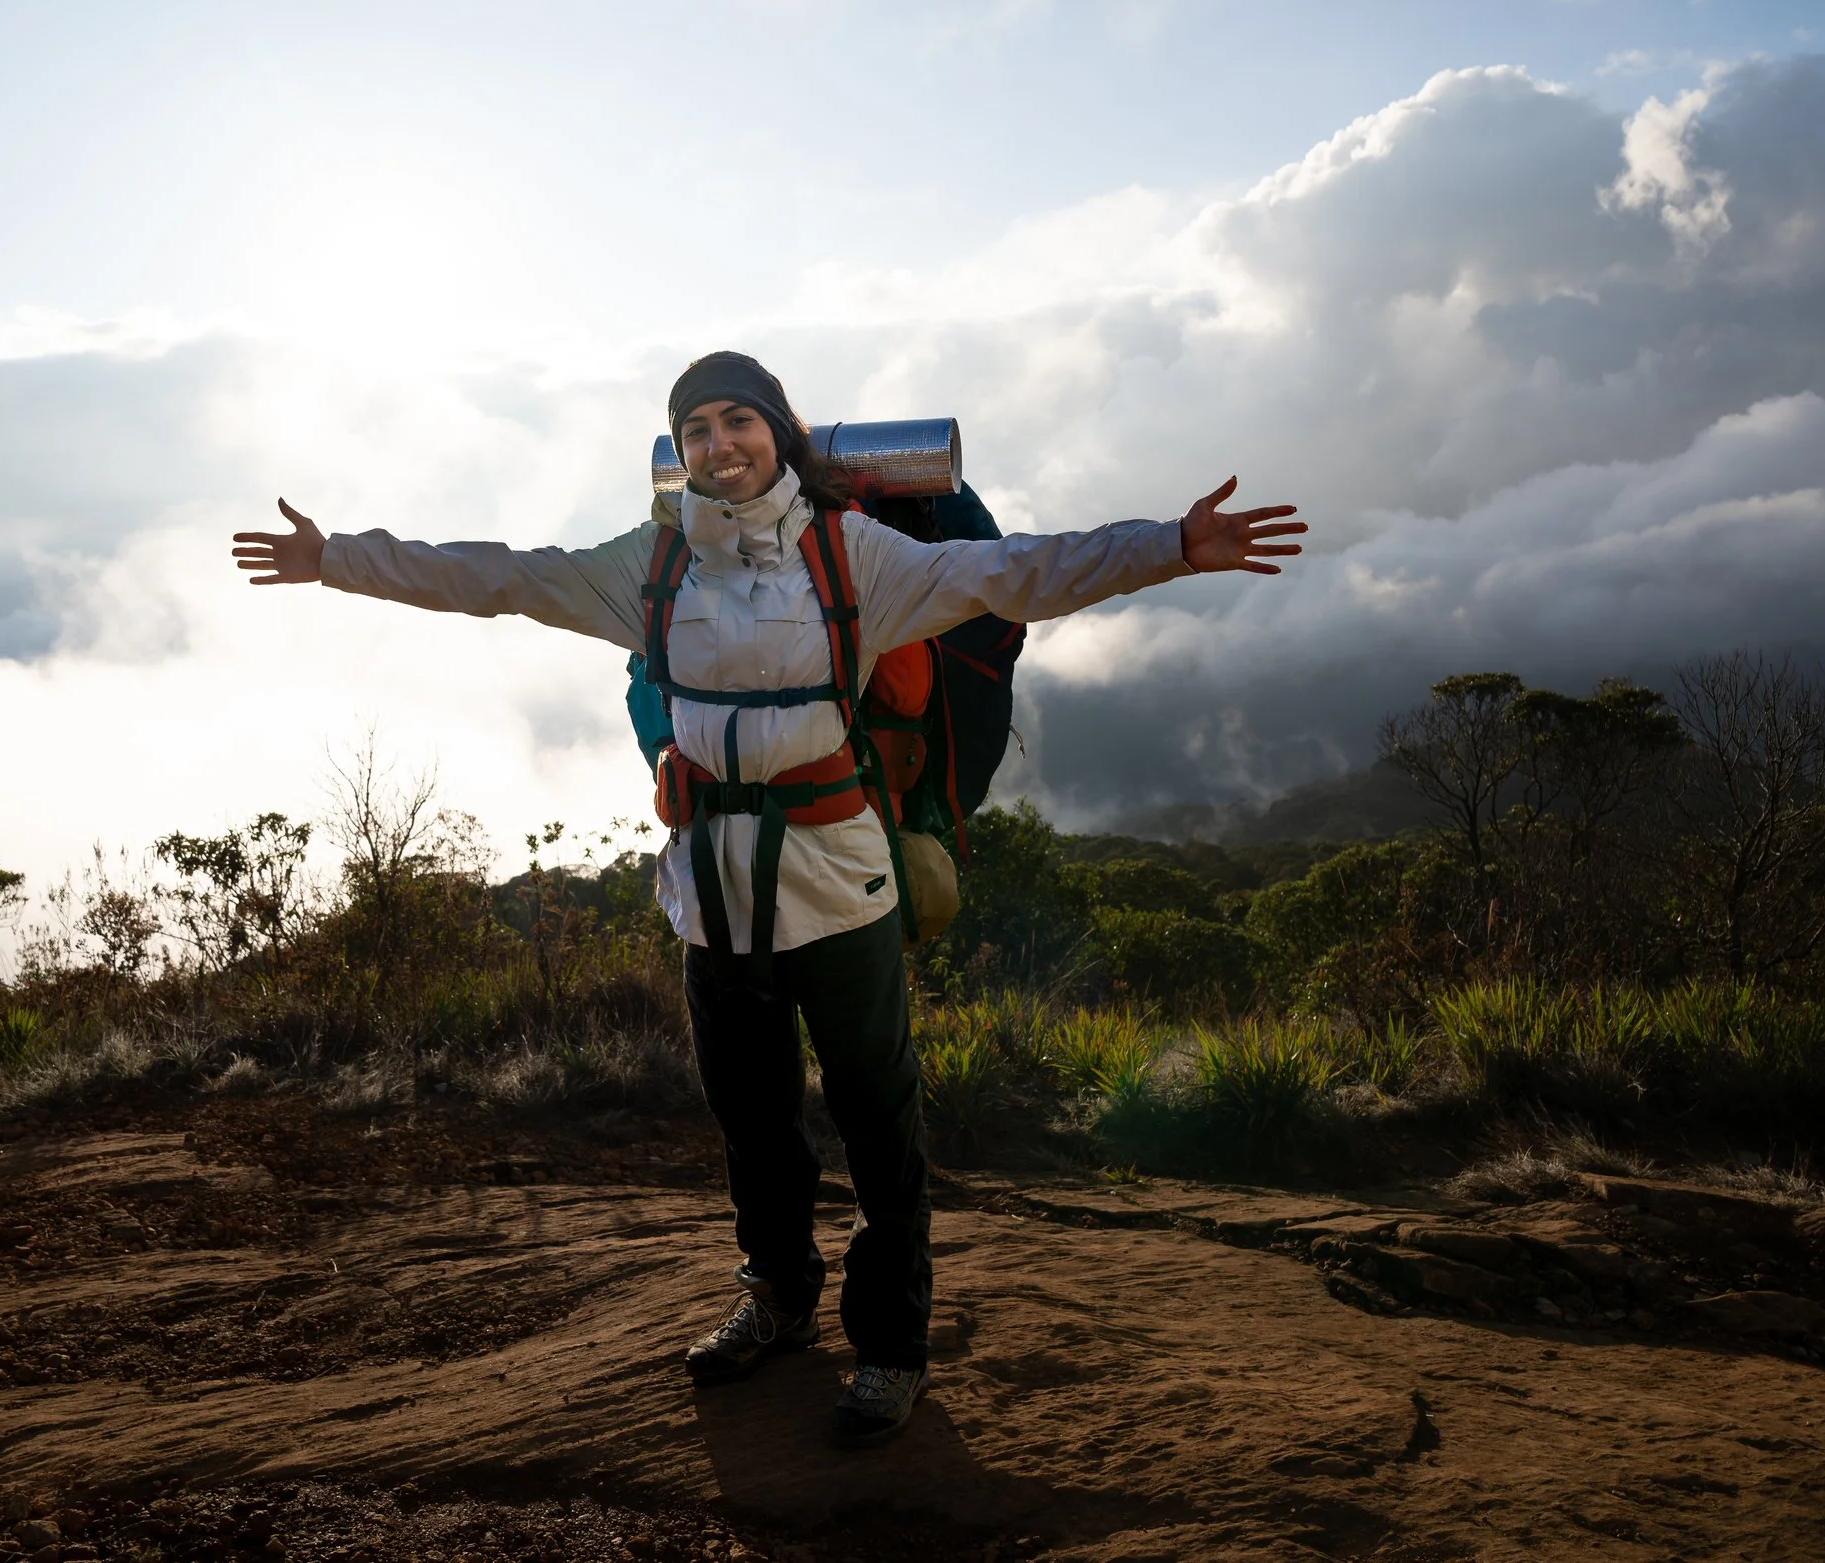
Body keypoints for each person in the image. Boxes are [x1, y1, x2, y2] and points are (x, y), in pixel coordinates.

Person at [231, 351, 1305, 1446]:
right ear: (678, 451)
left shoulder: (857, 558)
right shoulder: (647, 566)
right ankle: (778, 1294)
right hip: (711, 887)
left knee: (875, 1116)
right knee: (750, 1112)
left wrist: (1171, 547)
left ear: (779, 434)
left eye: (737, 418)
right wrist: (335, 560)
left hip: (838, 878)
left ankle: (890, 1343)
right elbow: (499, 576)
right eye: (695, 427)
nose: (717, 443)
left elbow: (1016, 572)